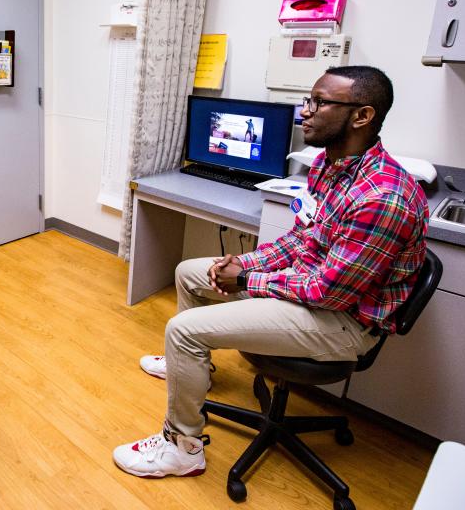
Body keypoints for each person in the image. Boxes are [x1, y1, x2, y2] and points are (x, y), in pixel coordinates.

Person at [115, 66, 427, 478]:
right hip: (313, 292)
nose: (306, 112)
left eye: (319, 102)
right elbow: (301, 240)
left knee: (183, 330)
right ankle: (197, 370)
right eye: (307, 100)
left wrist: (245, 280)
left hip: (342, 321)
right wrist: (244, 263)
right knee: (191, 271)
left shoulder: (382, 196)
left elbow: (328, 293)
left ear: (362, 116)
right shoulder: (328, 165)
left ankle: (183, 447)